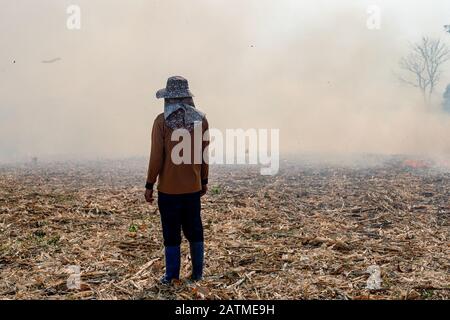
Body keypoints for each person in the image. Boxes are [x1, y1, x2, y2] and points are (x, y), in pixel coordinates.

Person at [145, 76, 209, 284]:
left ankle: (172, 275)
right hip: (192, 187)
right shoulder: (201, 120)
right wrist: (204, 180)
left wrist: (149, 184)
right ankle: (198, 274)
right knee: (194, 230)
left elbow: (156, 157)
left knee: (171, 233)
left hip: (168, 191)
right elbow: (204, 154)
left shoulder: (161, 122)